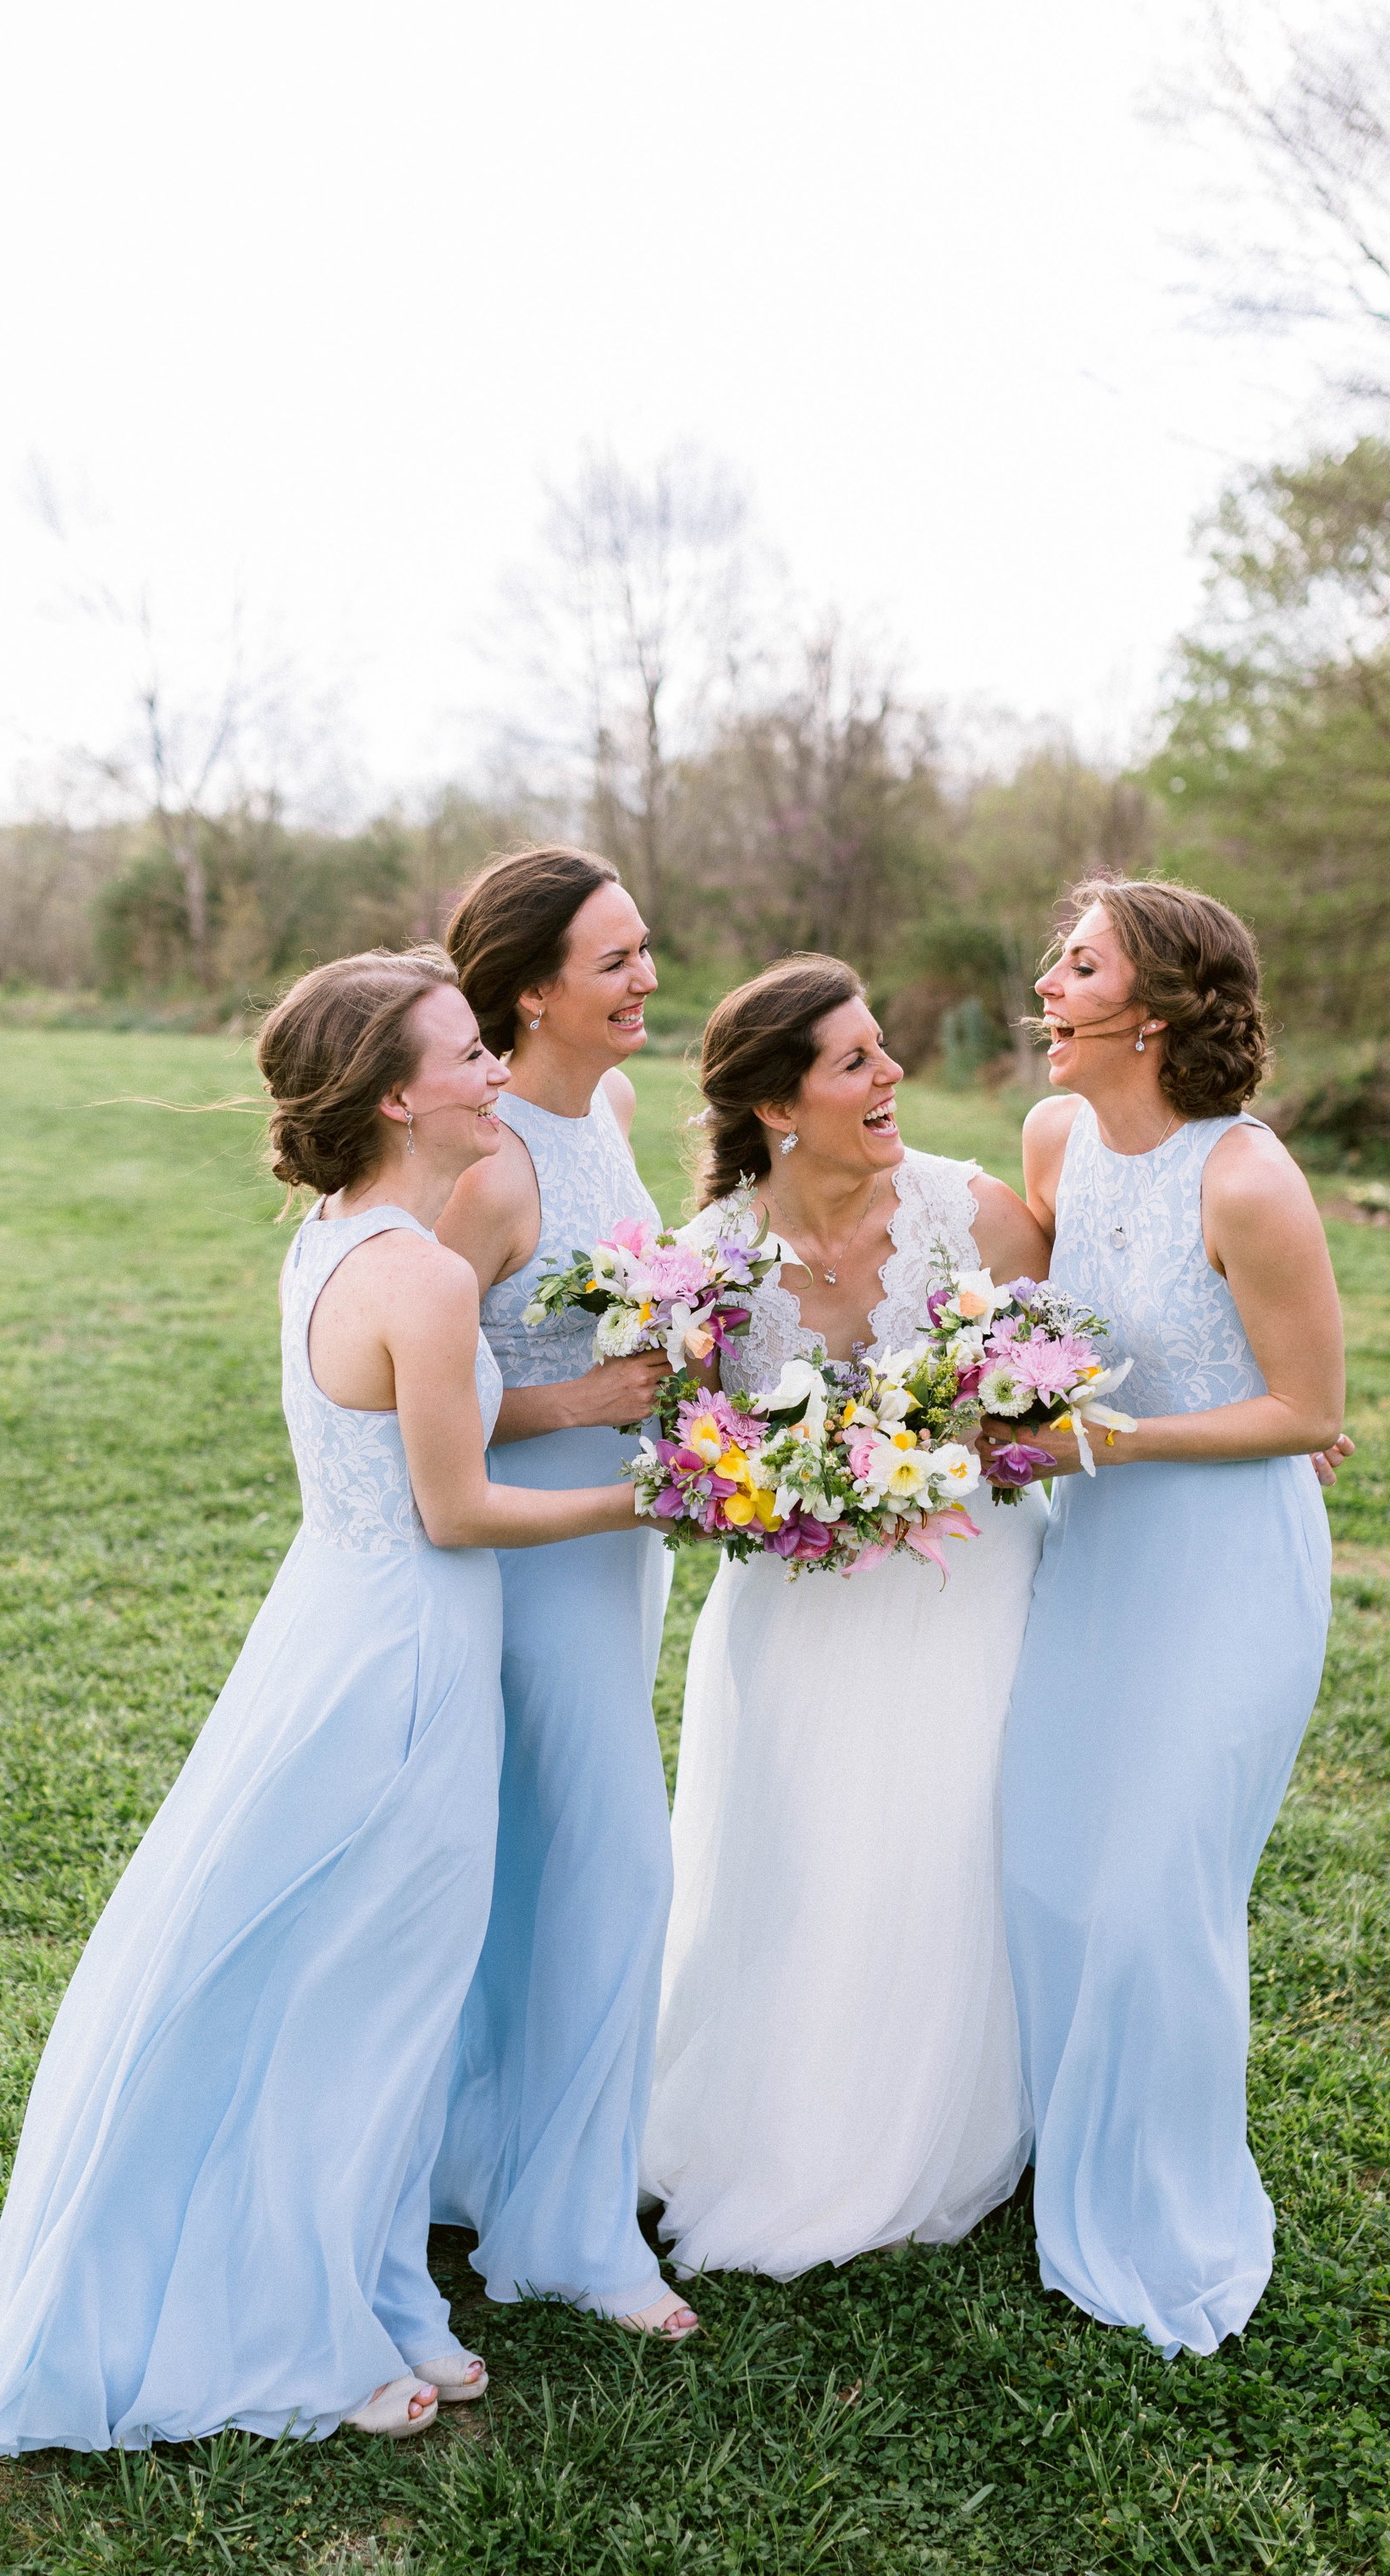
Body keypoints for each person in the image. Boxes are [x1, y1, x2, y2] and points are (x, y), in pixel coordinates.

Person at [0, 950, 652, 2455]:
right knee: (370, 2000)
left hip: (338, 1627)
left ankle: (389, 2291)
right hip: (403, 1661)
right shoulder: (426, 1272)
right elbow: (460, 1511)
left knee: (375, 1987)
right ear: (398, 1095)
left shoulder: (336, 1241)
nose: (495, 1071)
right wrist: (653, 1494)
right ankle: (317, 2332)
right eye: (467, 1053)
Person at [642, 957, 1055, 2275]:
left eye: (885, 1052)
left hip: (966, 1587)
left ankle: (944, 2111)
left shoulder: (974, 1214)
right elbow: (688, 1450)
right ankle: (786, 2115)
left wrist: (952, 1452)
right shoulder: (705, 1263)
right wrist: (764, 1485)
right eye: (856, 1063)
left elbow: (1060, 1401)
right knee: (799, 1847)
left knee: (940, 1844)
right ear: (777, 1103)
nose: (892, 1080)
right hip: (792, 1606)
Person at [996, 877, 1345, 2358]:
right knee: (1054, 1859)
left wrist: (1118, 1440)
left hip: (1221, 1569)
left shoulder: (1247, 1178)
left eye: (1077, 966)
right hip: (1093, 1557)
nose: (1047, 984)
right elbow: (1023, 1339)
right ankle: (1057, 2140)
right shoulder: (1055, 1139)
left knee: (1158, 1886)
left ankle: (1164, 2198)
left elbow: (1308, 1409)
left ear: (1153, 1012)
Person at [429, 845, 696, 2338]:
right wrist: (583, 1395)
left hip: (619, 1537)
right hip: (529, 1542)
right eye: (616, 961)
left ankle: (490, 2154)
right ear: (532, 994)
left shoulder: (611, 1106)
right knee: (611, 1859)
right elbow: (409, 1409)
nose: (647, 977)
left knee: (533, 1861)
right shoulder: (490, 1171)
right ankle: (575, 2236)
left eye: (643, 949)